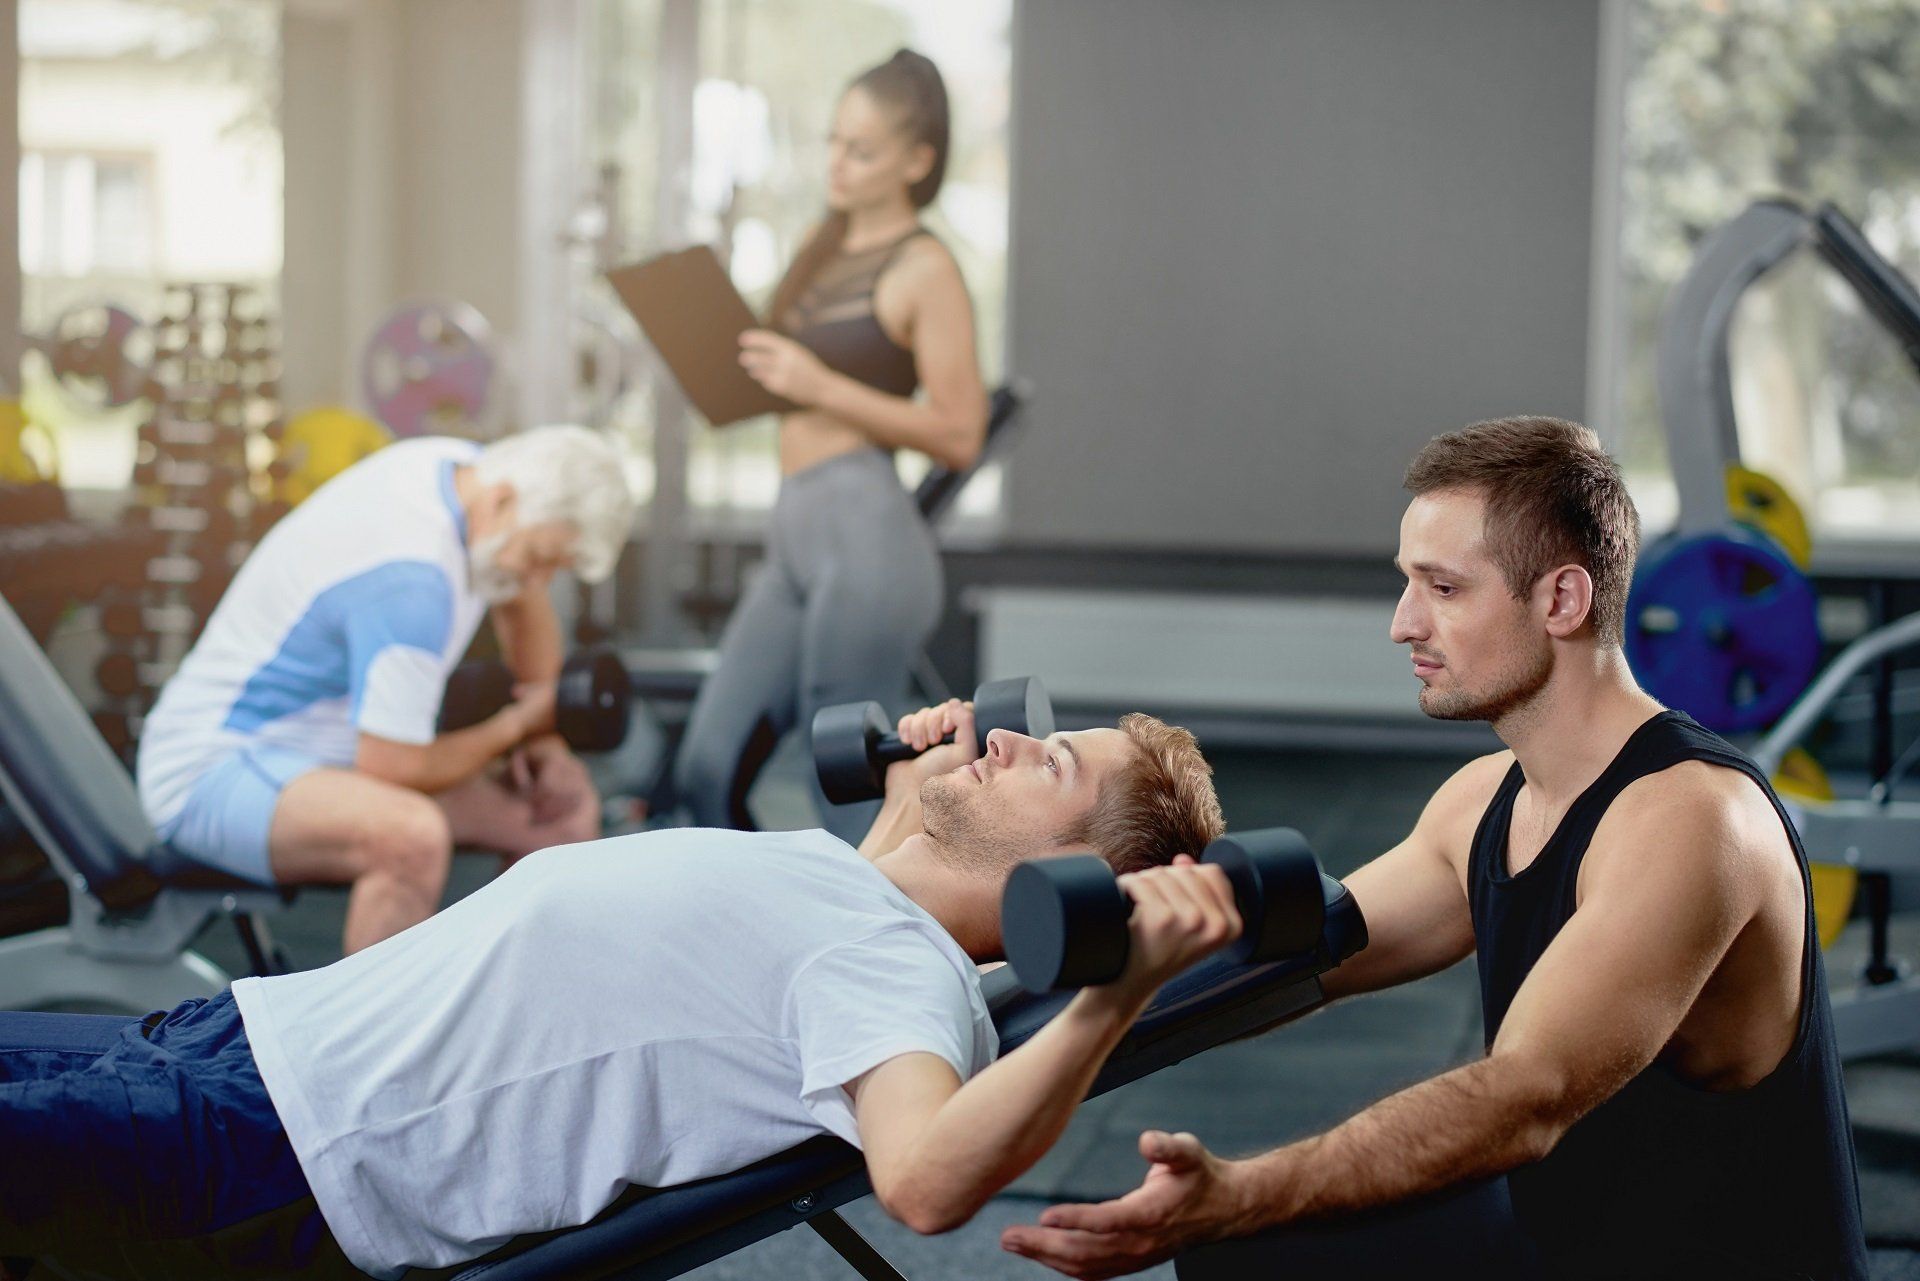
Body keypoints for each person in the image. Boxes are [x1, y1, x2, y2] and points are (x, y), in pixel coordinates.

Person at [1002, 417, 1869, 1281]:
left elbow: (1525, 1094)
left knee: (1243, 1224)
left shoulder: (1694, 820)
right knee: (1239, 1257)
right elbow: (1294, 952)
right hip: (1563, 1236)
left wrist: (1244, 1190)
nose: (1401, 623)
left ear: (1562, 600)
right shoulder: (1483, 800)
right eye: (1407, 583)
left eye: (1443, 588)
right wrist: (979, 1011)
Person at [3, 702, 1226, 1280]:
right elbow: (864, 879)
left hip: (271, 1153)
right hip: (237, 1046)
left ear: (1079, 879)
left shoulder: (889, 972)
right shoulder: (856, 901)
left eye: (1047, 762)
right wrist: (918, 783)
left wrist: (1112, 987)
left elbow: (923, 1179)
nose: (1005, 737)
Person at [136, 425, 636, 955]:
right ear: (503, 501)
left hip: (327, 760)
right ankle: (370, 1037)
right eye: (540, 557)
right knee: (408, 837)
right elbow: (394, 767)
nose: (540, 579)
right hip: (214, 769)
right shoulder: (413, 584)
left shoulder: (468, 470)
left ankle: (510, 1017)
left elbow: (521, 598)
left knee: (561, 818)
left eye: (554, 566)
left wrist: (546, 742)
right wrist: (518, 725)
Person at [673, 48, 991, 841]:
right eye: (833, 142)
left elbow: (960, 432)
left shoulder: (924, 266)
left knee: (844, 793)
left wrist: (821, 386)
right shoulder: (819, 253)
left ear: (917, 161)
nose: (838, 165)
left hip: (866, 533)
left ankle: (891, 955)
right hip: (795, 533)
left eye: (863, 150)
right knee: (707, 771)